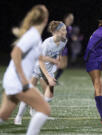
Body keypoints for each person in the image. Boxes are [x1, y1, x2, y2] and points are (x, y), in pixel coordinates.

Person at [0, 5, 50, 135]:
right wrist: (23, 81)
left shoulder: (35, 36)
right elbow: (15, 53)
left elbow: (33, 56)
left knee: (3, 115)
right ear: (45, 19)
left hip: (11, 80)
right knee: (44, 109)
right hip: (17, 82)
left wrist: (51, 60)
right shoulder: (33, 35)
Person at [14, 20, 67, 125]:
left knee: (49, 95)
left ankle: (35, 109)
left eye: (65, 30)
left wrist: (58, 59)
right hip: (38, 67)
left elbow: (60, 50)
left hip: (49, 69)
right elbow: (41, 61)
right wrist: (49, 77)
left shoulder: (64, 41)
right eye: (63, 30)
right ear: (55, 32)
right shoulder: (47, 43)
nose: (65, 32)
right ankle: (18, 117)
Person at [55, 13, 74, 81]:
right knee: (59, 65)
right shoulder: (62, 26)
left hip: (65, 48)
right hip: (60, 47)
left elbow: (68, 37)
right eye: (69, 18)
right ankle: (47, 77)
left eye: (72, 19)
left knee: (64, 65)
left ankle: (55, 79)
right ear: (65, 19)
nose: (71, 20)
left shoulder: (70, 28)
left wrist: (72, 38)